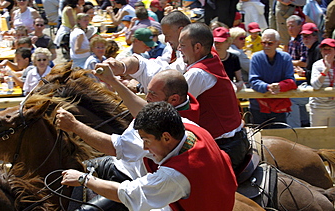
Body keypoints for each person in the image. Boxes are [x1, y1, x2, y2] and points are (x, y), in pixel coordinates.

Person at [59, 101, 236, 211]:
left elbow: (126, 193)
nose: (144, 148)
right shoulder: (188, 126)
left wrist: (84, 179)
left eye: (146, 141)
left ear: (166, 137)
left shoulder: (175, 176)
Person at [106, 22, 250, 175]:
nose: (179, 49)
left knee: (175, 181)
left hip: (224, 146)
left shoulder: (198, 74)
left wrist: (119, 83)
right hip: (228, 140)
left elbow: (163, 107)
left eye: (182, 45)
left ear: (197, 47)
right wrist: (124, 67)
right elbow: (165, 73)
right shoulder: (205, 57)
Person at [249, 29, 297, 128]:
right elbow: (253, 80)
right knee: (259, 139)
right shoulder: (256, 57)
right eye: (263, 43)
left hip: (279, 106)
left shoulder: (286, 57)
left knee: (280, 138)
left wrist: (280, 86)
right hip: (258, 106)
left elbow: (291, 80)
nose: (266, 46)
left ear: (278, 44)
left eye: (270, 43)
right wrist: (267, 87)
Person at [286, 14, 308, 128]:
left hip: (304, 78)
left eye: (292, 26)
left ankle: (297, 127)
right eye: (288, 27)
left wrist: (288, 61)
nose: (290, 29)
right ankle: (304, 121)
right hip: (295, 75)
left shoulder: (303, 40)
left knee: (291, 98)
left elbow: (304, 62)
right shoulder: (291, 41)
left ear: (300, 26)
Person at [213, 27, 244, 91]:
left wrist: (238, 85)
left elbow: (240, 80)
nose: (217, 45)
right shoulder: (208, 59)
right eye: (215, 42)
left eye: (220, 42)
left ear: (229, 42)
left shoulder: (234, 58)